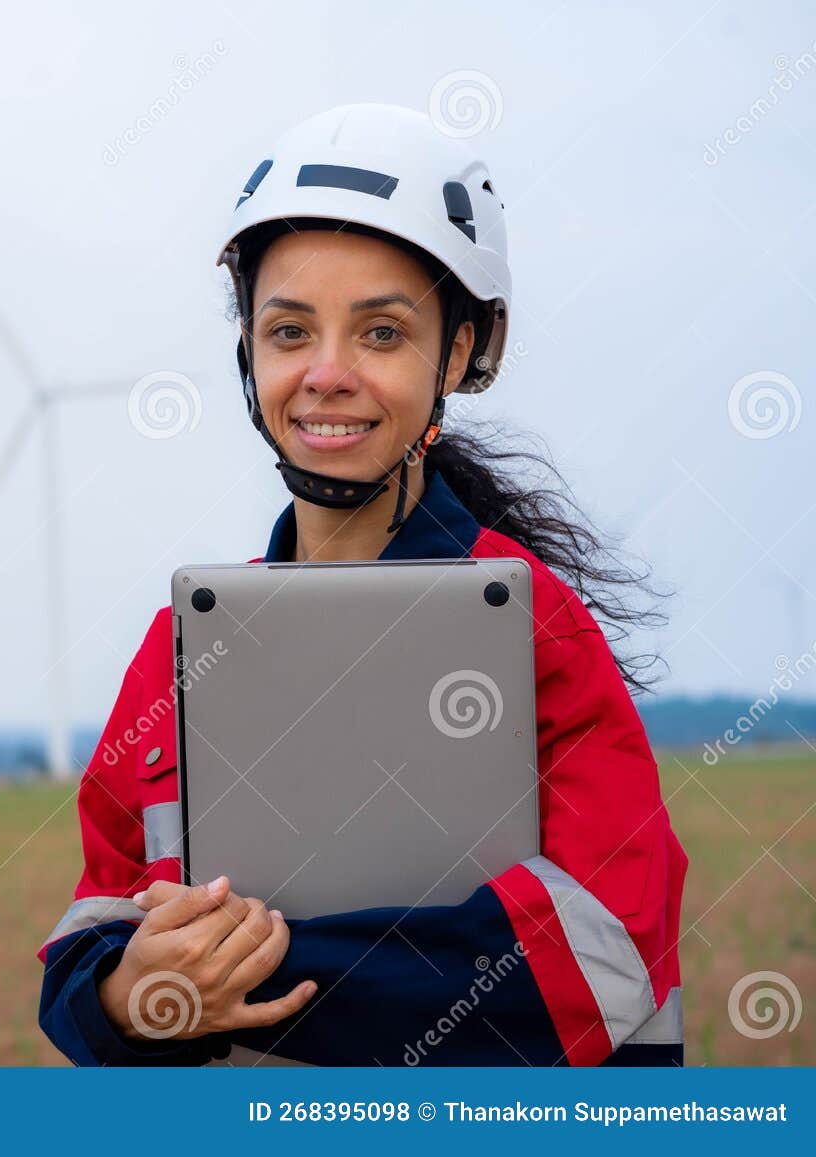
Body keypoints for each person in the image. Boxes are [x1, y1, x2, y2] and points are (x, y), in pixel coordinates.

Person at [35, 103, 687, 1067]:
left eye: (382, 333)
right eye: (290, 329)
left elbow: (601, 950)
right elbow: (94, 926)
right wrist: (126, 994)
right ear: (248, 351)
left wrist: (235, 978)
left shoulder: (531, 624)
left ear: (459, 354)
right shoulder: (179, 646)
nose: (327, 373)